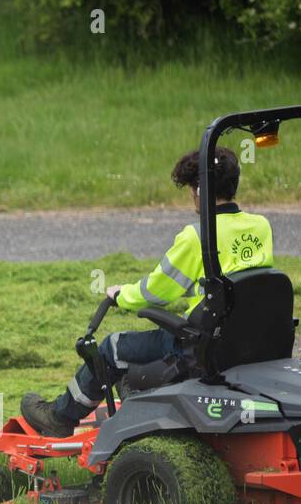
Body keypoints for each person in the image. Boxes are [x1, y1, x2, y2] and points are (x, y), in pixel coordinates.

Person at [21, 146, 273, 437]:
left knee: (112, 348)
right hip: (247, 340)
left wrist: (121, 295)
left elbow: (157, 291)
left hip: (202, 348)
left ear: (199, 190)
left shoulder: (196, 236)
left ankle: (60, 417)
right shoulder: (261, 227)